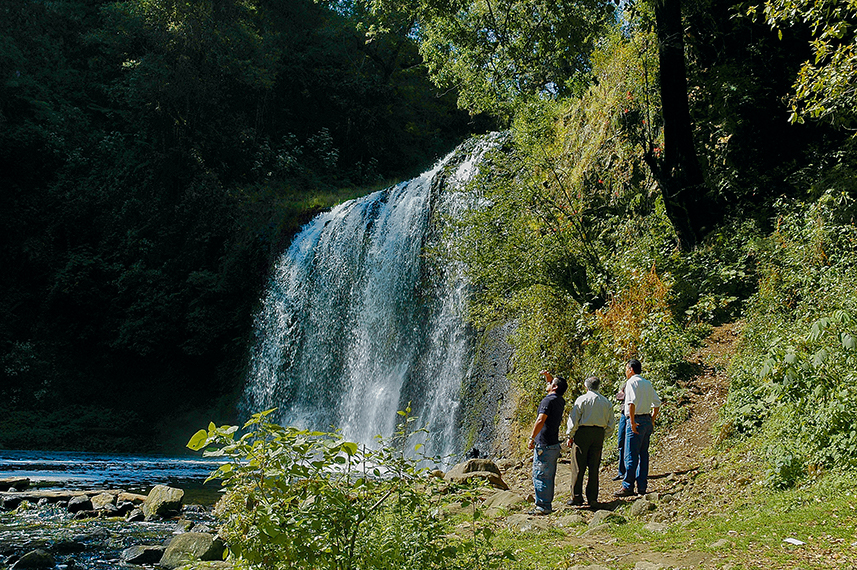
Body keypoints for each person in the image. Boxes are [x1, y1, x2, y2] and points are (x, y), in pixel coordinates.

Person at [565, 376, 615, 508]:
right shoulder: (606, 402)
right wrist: (604, 435)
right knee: (594, 467)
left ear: (586, 387)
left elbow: (574, 419)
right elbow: (611, 423)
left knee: (578, 466)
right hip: (598, 433)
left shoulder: (582, 399)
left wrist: (570, 435)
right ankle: (592, 498)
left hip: (583, 433)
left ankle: (576, 497)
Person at [614, 359, 661, 497]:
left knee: (631, 454)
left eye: (626, 369)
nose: (626, 371)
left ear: (631, 369)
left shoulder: (631, 383)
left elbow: (631, 403)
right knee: (643, 454)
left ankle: (628, 486)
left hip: (636, 420)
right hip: (646, 419)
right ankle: (642, 486)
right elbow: (657, 403)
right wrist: (652, 419)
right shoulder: (647, 383)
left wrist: (632, 422)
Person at [527, 370, 568, 515]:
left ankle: (542, 506)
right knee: (548, 475)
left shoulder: (547, 401)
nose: (549, 383)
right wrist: (549, 378)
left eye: (551, 383)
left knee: (540, 474)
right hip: (553, 443)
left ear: (555, 387)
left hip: (543, 444)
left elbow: (540, 419)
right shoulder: (559, 400)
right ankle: (546, 503)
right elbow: (552, 390)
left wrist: (532, 438)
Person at [613, 380, 627, 481]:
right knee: (621, 442)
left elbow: (621, 396)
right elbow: (619, 396)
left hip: (633, 415)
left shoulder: (637, 383)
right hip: (624, 413)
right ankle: (621, 471)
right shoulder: (626, 383)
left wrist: (622, 394)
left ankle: (632, 472)